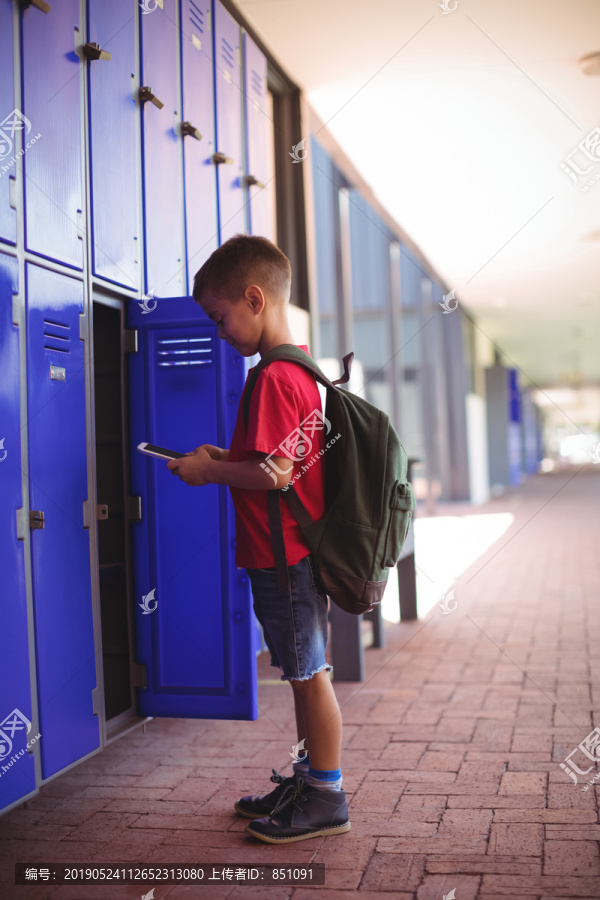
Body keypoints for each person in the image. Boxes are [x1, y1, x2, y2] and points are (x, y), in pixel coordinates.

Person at [166, 234, 350, 844]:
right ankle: (308, 777)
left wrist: (210, 471)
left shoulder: (272, 377)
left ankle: (326, 794)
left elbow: (273, 475)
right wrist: (224, 457)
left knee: (309, 672)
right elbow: (275, 460)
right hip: (288, 551)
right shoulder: (294, 371)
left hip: (285, 554)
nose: (219, 331)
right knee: (301, 669)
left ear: (254, 297)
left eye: (220, 318)